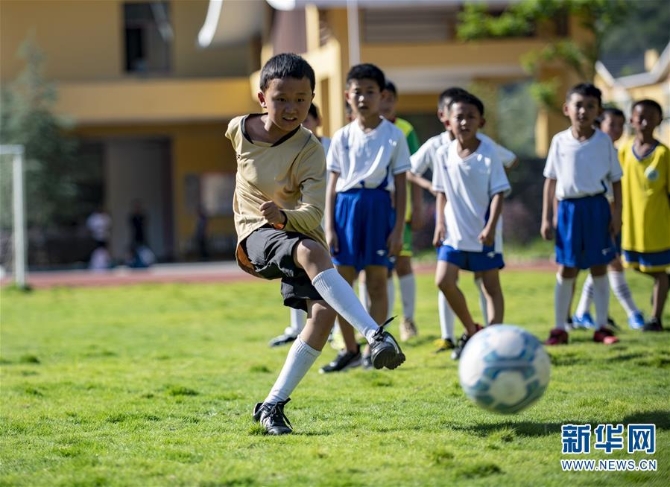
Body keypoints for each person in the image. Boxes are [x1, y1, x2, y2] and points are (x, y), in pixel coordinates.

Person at [226, 53, 405, 435]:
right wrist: (266, 213)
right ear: (262, 99)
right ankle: (375, 334)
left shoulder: (311, 150)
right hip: (254, 234)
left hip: (295, 232)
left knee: (322, 316)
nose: (291, 108)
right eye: (281, 99)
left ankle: (271, 406)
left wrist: (284, 215)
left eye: (301, 99)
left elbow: (312, 214)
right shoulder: (238, 129)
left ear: (312, 99)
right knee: (312, 251)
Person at [408, 87, 518, 354]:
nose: (465, 122)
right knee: (443, 281)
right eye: (459, 117)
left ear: (481, 121)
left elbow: (498, 194)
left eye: (471, 116)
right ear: (449, 120)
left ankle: (493, 341)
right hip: (453, 234)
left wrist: (491, 227)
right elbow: (441, 192)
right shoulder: (443, 153)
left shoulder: (488, 152)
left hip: (483, 233)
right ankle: (472, 330)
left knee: (490, 285)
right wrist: (441, 226)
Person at [321, 63, 410, 373]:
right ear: (347, 95)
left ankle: (376, 348)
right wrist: (329, 226)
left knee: (376, 282)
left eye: (370, 92)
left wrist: (398, 230)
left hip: (378, 207)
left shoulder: (394, 136)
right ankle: (348, 349)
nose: (363, 98)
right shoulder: (342, 136)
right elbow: (331, 186)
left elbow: (400, 185)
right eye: (357, 92)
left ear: (381, 95)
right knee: (341, 284)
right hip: (345, 208)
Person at [541, 83, 622, 346]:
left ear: (598, 111)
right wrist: (547, 217)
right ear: (567, 109)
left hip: (597, 207)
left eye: (590, 106)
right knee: (567, 268)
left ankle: (601, 327)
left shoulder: (604, 142)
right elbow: (550, 181)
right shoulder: (559, 141)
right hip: (568, 210)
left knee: (600, 266)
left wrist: (617, 213)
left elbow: (616, 180)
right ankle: (559, 327)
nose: (583, 111)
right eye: (578, 105)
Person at [571, 108, 645, 330]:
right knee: (608, 263)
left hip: (612, 216)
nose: (617, 130)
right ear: (599, 126)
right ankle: (633, 314)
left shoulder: (617, 151)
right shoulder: (592, 151)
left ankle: (582, 313)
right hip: (595, 215)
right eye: (612, 125)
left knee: (606, 264)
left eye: (621, 125)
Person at [270, 102, 331, 348]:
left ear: (317, 121)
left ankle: (334, 327)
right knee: (296, 272)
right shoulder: (287, 150)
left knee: (330, 273)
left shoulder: (330, 147)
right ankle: (297, 328)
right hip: (296, 218)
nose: (303, 125)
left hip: (327, 217)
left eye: (308, 120)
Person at [618, 99, 669, 331]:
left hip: (656, 225)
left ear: (660, 120)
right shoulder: (625, 150)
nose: (645, 121)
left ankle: (655, 319)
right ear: (632, 120)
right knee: (632, 265)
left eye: (651, 116)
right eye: (640, 116)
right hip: (630, 224)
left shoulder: (663, 153)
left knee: (658, 272)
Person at [86, 206, 112, 271]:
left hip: (104, 237)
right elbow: (89, 229)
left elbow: (109, 227)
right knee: (96, 252)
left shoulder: (106, 217)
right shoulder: (93, 218)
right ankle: (94, 265)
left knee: (104, 252)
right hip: (95, 238)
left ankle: (104, 265)